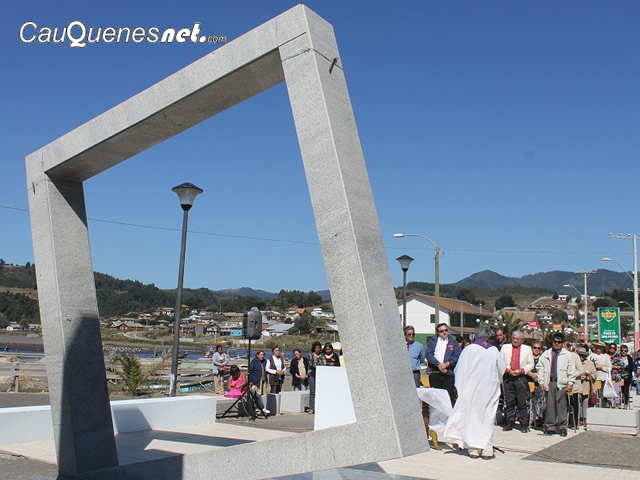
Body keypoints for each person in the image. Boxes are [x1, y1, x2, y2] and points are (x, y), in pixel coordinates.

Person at [443, 323, 506, 459]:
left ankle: (474, 448)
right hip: (490, 388)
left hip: (473, 389)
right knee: (488, 417)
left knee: (473, 416)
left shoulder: (469, 350)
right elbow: (501, 369)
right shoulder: (494, 350)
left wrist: (461, 388)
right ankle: (487, 448)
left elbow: (460, 370)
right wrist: (497, 381)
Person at [536, 333, 577, 436]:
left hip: (561, 383)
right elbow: (540, 367)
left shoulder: (567, 355)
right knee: (550, 406)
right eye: (555, 341)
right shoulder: (546, 354)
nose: (557, 344)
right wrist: (541, 381)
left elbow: (571, 370)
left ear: (562, 343)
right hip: (550, 382)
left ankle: (562, 427)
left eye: (559, 342)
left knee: (561, 406)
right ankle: (550, 427)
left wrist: (570, 383)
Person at [500, 330, 534, 432]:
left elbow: (531, 364)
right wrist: (508, 369)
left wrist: (522, 370)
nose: (515, 341)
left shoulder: (527, 349)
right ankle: (509, 422)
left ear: (522, 340)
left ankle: (523, 424)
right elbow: (500, 361)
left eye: (517, 339)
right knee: (509, 401)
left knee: (521, 402)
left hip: (521, 377)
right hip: (508, 376)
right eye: (514, 339)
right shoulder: (505, 347)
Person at [426, 323, 461, 405]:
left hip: (448, 373)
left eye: (446, 330)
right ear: (438, 332)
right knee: (436, 398)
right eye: (441, 331)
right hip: (435, 372)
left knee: (449, 397)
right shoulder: (432, 341)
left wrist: (447, 364)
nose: (444, 332)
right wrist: (438, 365)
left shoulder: (453, 342)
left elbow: (457, 355)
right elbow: (428, 354)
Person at [527, 341, 546, 429]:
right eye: (535, 347)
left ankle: (538, 419)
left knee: (540, 402)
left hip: (539, 383)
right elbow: (524, 367)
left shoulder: (543, 359)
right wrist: (532, 375)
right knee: (529, 402)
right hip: (529, 381)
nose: (536, 349)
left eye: (538, 348)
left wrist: (538, 377)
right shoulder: (528, 358)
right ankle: (530, 419)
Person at [577, 346, 596, 427]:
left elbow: (594, 374)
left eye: (583, 355)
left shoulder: (590, 364)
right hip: (576, 386)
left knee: (585, 403)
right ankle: (578, 419)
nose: (581, 357)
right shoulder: (573, 363)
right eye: (579, 355)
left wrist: (587, 377)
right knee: (577, 404)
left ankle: (585, 419)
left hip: (586, 387)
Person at [307, 341, 326, 414]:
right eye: (317, 348)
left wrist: (318, 364)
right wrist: (318, 364)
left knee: (320, 392)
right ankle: (311, 408)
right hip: (312, 375)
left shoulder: (322, 355)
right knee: (312, 392)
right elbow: (311, 364)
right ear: (314, 348)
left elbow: (324, 364)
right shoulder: (310, 355)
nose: (318, 349)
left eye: (319, 348)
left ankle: (319, 407)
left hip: (320, 375)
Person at [593, 342, 611, 406]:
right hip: (594, 377)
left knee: (603, 393)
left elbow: (609, 368)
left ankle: (604, 406)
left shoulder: (606, 356)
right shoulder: (592, 356)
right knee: (594, 393)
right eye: (597, 347)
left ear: (603, 348)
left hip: (604, 377)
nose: (598, 349)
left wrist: (601, 368)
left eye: (600, 348)